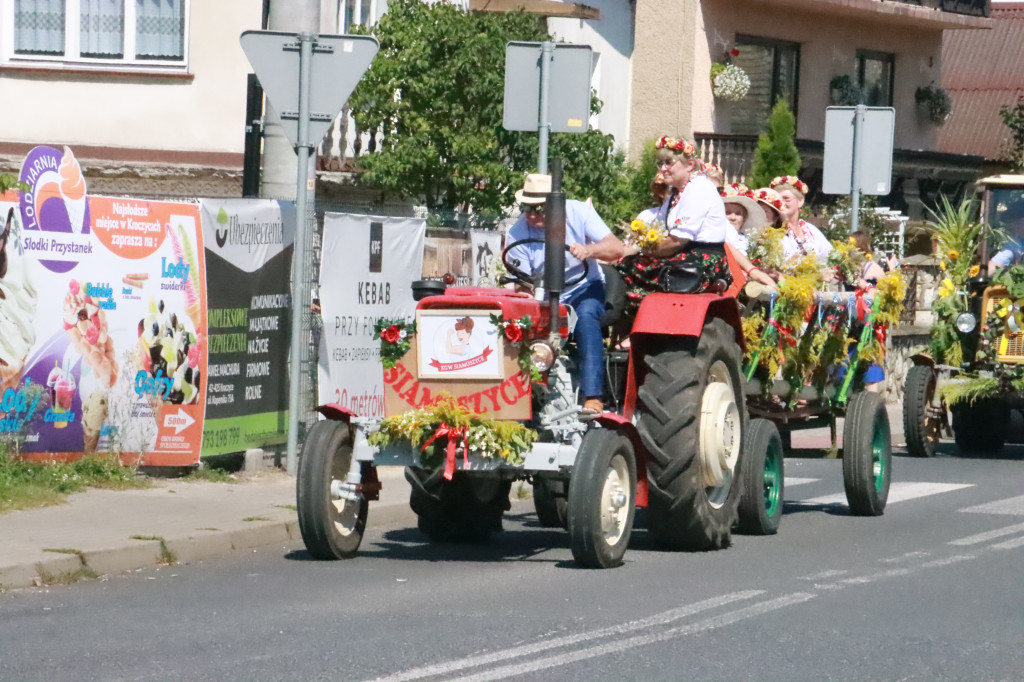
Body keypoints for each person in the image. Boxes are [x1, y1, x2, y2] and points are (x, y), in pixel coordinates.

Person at [505, 173, 625, 414]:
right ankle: (518, 395)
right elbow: (521, 285)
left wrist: (589, 250)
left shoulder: (579, 213)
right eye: (527, 207)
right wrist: (527, 297)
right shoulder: (517, 234)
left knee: (586, 315)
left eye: (539, 208)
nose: (532, 214)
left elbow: (616, 247)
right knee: (518, 325)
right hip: (542, 293)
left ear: (555, 205)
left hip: (584, 287)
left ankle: (593, 396)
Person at [617, 136, 731, 314]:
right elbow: (662, 234)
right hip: (685, 256)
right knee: (623, 263)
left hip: (700, 262)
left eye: (669, 162)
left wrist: (642, 251)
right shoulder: (676, 194)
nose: (663, 169)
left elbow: (677, 241)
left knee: (627, 268)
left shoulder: (698, 189)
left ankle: (636, 326)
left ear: (690, 164)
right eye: (660, 163)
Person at [721, 184, 777, 292]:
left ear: (744, 219)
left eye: (738, 214)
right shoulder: (720, 233)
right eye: (727, 213)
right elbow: (726, 246)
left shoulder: (748, 239)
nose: (733, 217)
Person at [771, 175, 832, 263]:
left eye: (786, 199)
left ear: (800, 201)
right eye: (778, 200)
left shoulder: (811, 230)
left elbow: (830, 256)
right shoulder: (773, 231)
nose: (782, 203)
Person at [988, 201, 1024, 274]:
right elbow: (995, 265)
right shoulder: (1015, 244)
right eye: (1011, 223)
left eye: (1016, 223)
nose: (1012, 227)